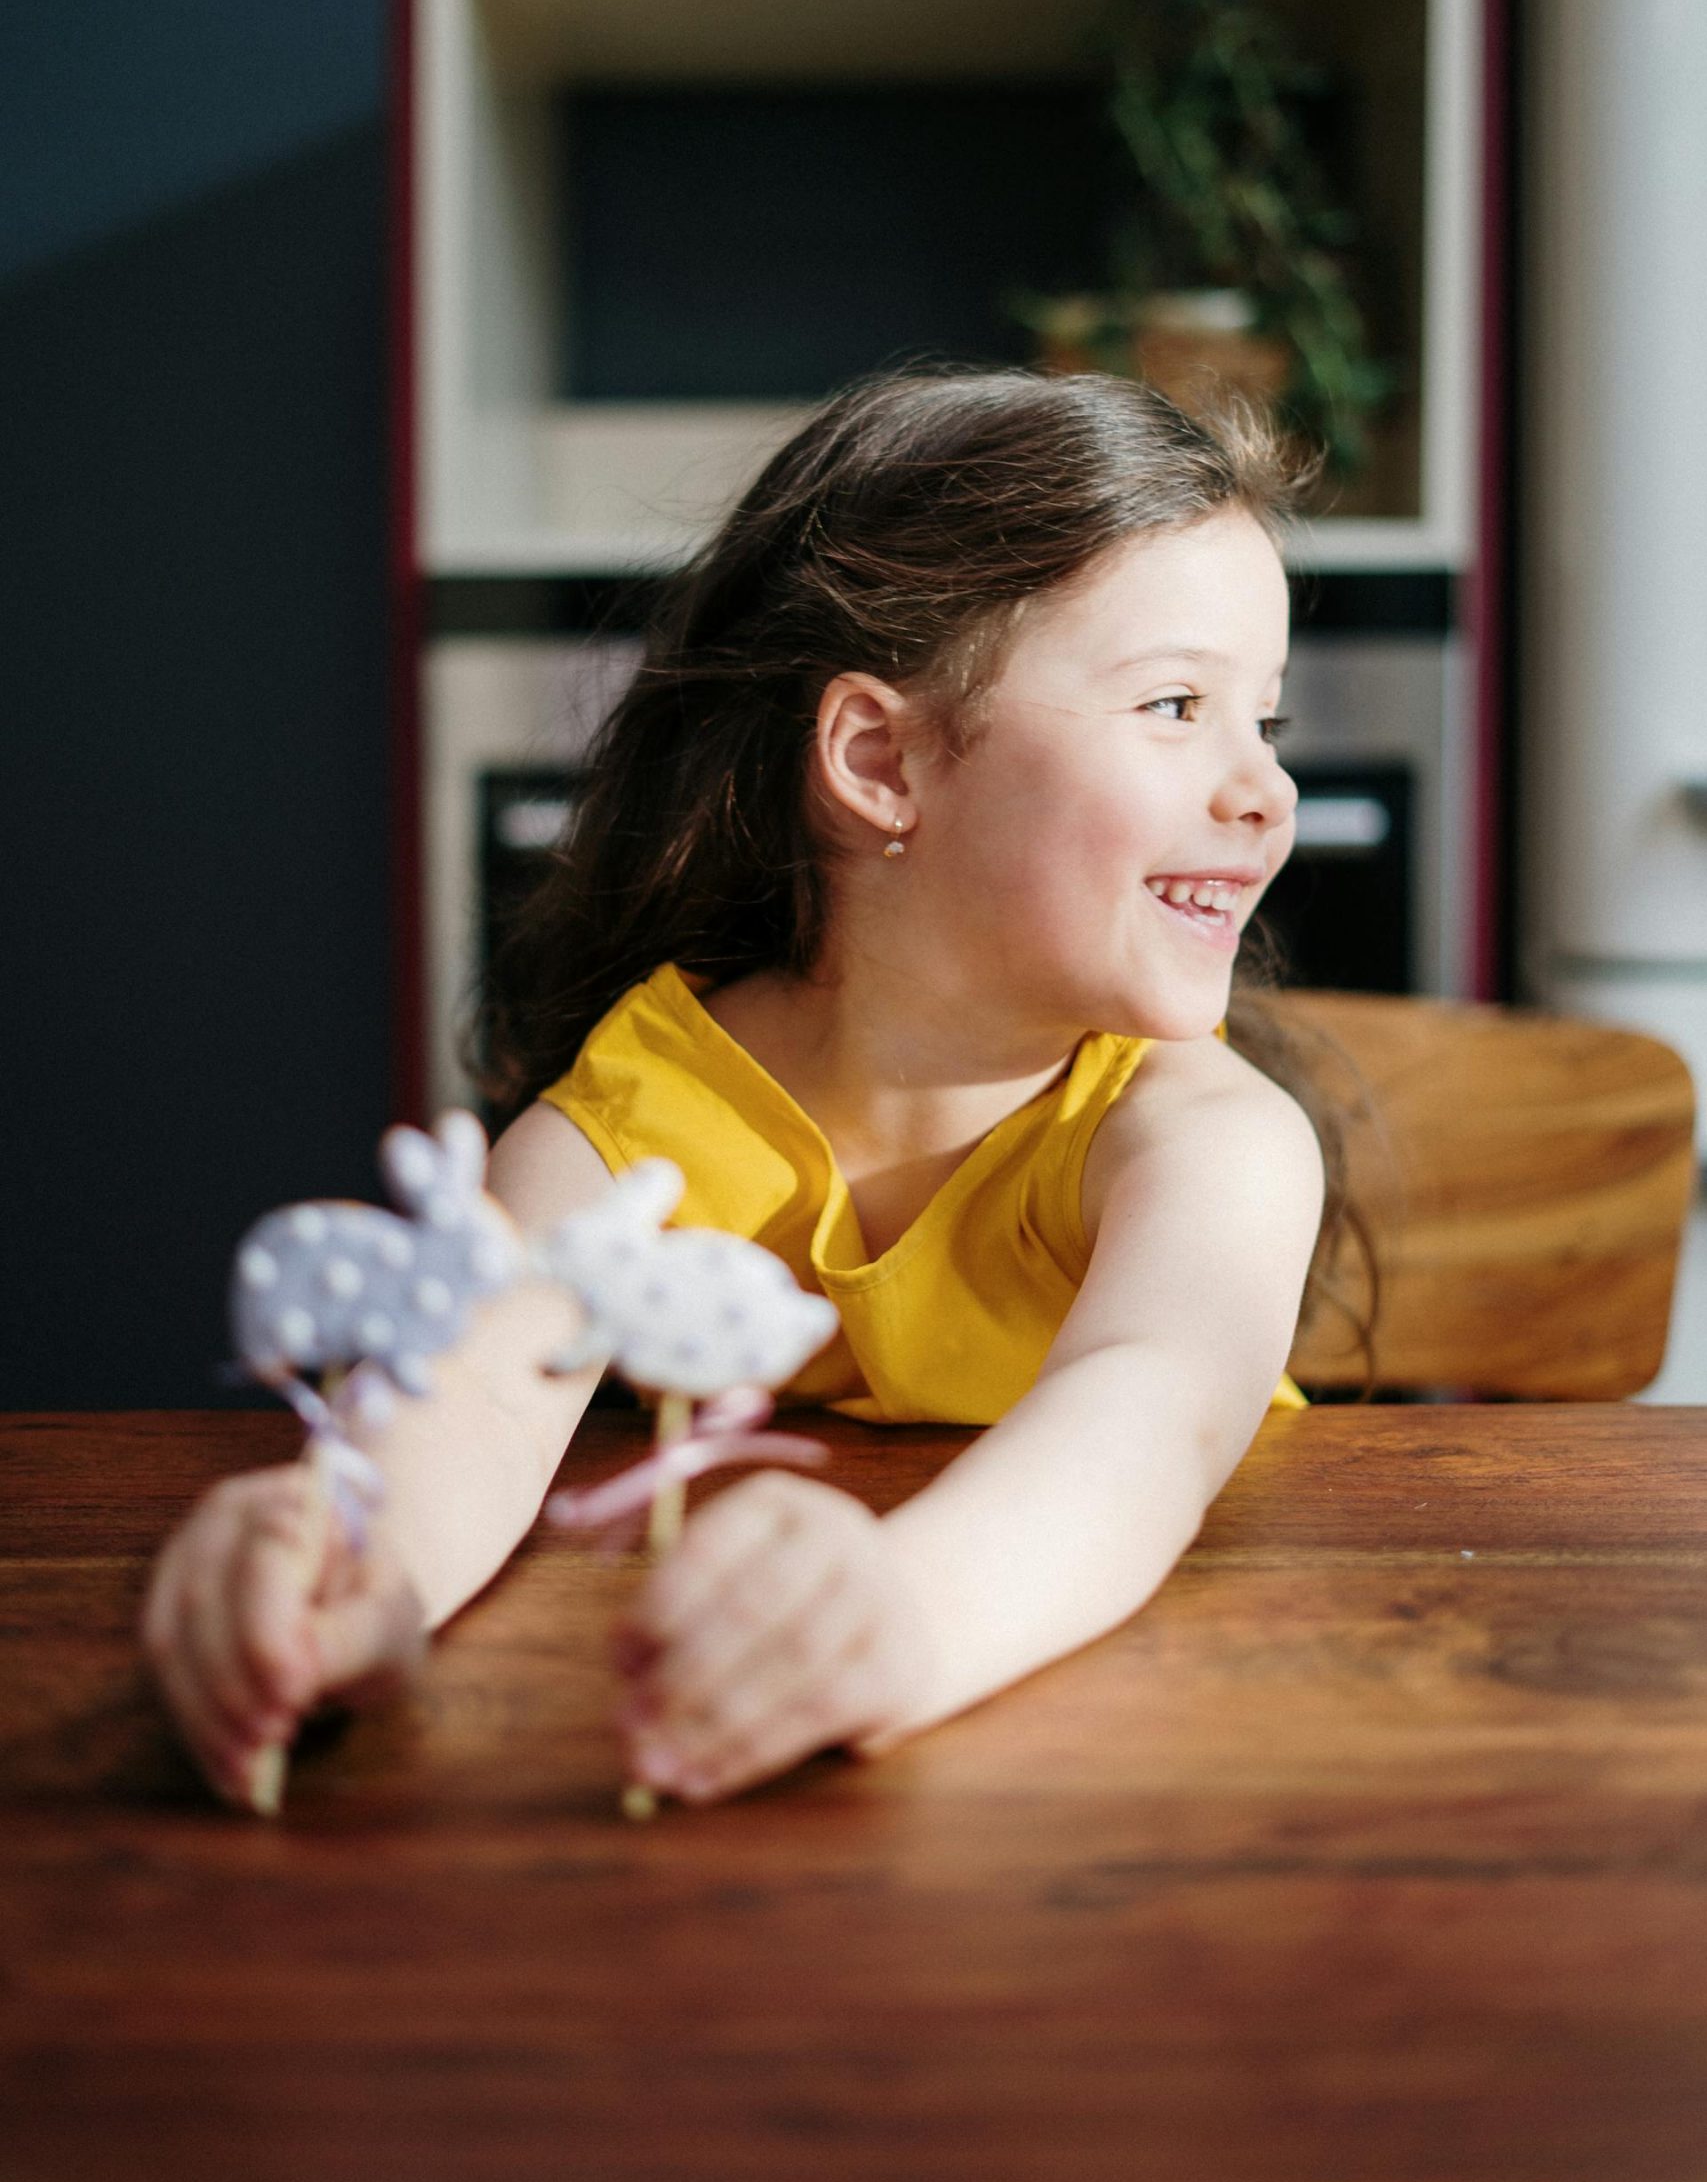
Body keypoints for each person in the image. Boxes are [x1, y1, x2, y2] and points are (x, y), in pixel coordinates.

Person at [142, 365, 1331, 1815]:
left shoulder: (1215, 1147)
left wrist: (908, 1614)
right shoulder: (652, 1107)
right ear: (882, 760)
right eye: (1177, 704)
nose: (1266, 789)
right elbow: (483, 1387)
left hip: (1154, 1785)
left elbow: (1146, 1425)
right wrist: (353, 1560)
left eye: (1265, 721)